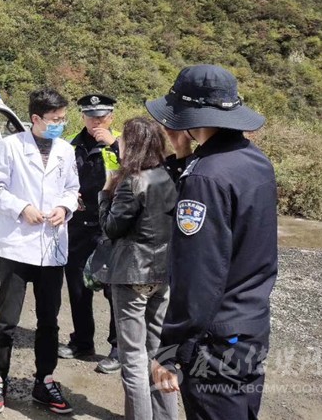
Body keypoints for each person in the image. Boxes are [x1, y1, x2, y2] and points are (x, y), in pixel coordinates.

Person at [146, 64, 278, 420]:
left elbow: (198, 276)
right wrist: (183, 154)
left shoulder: (205, 178)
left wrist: (169, 350)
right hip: (248, 326)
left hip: (214, 340)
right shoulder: (253, 160)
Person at [0, 88, 80, 415]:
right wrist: (21, 207)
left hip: (51, 248)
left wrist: (64, 208)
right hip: (16, 247)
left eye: (63, 118)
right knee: (7, 320)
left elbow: (72, 189)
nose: (60, 124)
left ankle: (44, 380)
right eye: (54, 119)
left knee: (49, 320)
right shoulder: (10, 146)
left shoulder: (66, 150)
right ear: (35, 118)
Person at [99, 117, 179, 420]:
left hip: (133, 275)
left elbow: (111, 227)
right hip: (163, 273)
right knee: (159, 354)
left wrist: (105, 192)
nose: (118, 143)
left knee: (133, 358)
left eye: (122, 139)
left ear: (131, 145)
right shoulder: (168, 176)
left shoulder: (131, 182)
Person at [59, 93, 122, 374]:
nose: (96, 122)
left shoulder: (122, 142)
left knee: (114, 290)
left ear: (111, 117)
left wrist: (115, 145)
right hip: (77, 226)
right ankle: (82, 341)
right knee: (77, 288)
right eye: (91, 116)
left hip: (111, 228)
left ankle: (118, 348)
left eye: (102, 117)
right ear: (82, 117)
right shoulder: (70, 145)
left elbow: (141, 173)